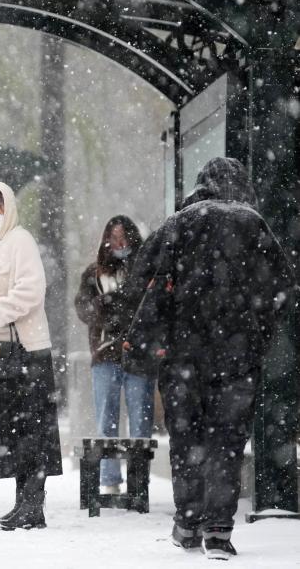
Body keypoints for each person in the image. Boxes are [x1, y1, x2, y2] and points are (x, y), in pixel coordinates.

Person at [123, 157, 295, 559]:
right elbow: (284, 286)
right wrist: (257, 331)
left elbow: (139, 277)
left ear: (204, 184)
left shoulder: (181, 221)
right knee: (227, 443)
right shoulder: (253, 224)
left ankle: (187, 523)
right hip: (236, 358)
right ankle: (218, 531)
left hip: (184, 355)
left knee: (187, 441)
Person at [0, 181, 62, 530]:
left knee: (32, 432)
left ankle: (33, 507)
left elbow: (31, 288)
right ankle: (22, 505)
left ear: (9, 209)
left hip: (28, 353)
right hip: (2, 355)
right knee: (13, 432)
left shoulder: (20, 241)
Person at [74, 215, 154, 495]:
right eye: (114, 237)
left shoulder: (145, 271)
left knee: (140, 420)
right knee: (106, 418)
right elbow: (83, 309)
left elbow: (152, 307)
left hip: (139, 353)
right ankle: (109, 479)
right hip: (105, 354)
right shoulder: (93, 274)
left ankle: (138, 480)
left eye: (124, 237)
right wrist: (102, 305)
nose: (119, 244)